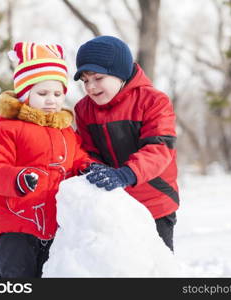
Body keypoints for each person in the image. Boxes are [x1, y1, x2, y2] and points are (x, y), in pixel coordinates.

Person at [0, 42, 92, 278]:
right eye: (42, 93)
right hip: (16, 226)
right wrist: (16, 179)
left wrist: (87, 168)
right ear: (24, 94)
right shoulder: (7, 130)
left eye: (57, 94)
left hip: (55, 228)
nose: (51, 100)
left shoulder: (66, 131)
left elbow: (77, 158)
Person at [73, 36, 180, 251]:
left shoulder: (152, 101)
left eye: (98, 78)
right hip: (114, 204)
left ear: (119, 73)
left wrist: (126, 174)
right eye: (85, 81)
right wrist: (92, 167)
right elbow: (86, 150)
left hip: (154, 202)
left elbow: (159, 148)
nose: (91, 87)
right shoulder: (83, 109)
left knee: (154, 268)